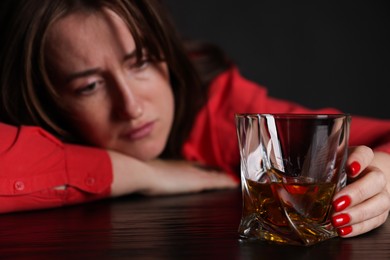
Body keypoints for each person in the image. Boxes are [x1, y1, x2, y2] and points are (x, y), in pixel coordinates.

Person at [0, 0, 389, 239]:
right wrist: (142, 172)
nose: (131, 106)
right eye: (89, 87)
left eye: (141, 63)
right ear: (44, 101)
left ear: (167, 54)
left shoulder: (221, 112)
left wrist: (384, 173)